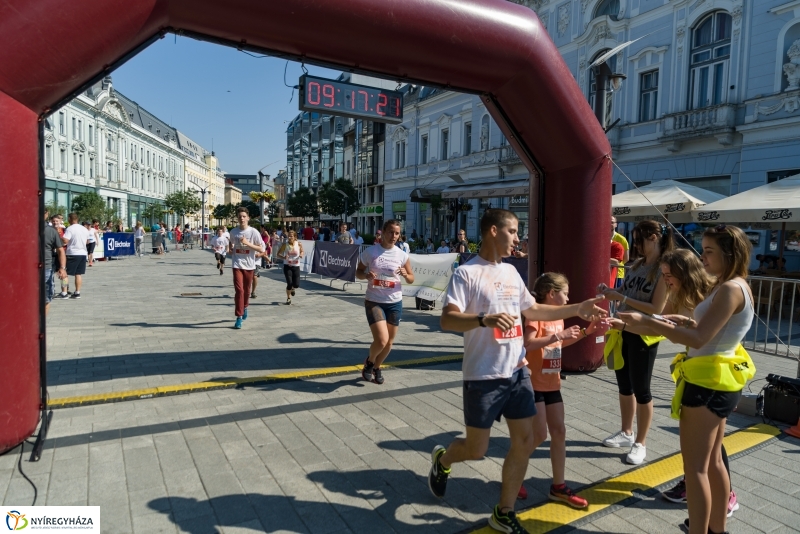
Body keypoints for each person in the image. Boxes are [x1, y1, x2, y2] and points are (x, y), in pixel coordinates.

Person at [428, 209, 607, 533]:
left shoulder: (511, 273)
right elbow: (447, 319)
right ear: (493, 231)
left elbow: (534, 309)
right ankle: (442, 461)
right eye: (512, 231)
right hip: (483, 376)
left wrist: (577, 309)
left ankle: (504, 511)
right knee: (476, 448)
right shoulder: (466, 274)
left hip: (517, 372)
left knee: (525, 440)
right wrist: (483, 319)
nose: (517, 237)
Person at [618, 225, 754, 534]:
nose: (702, 256)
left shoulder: (730, 288)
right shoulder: (733, 285)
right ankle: (716, 530)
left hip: (706, 383)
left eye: (708, 251)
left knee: (695, 470)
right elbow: (710, 332)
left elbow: (698, 338)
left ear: (729, 254)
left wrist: (648, 321)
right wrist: (679, 321)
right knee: (714, 463)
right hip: (717, 381)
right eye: (702, 249)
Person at [516, 273, 602, 507]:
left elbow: (558, 343)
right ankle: (513, 472)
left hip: (552, 382)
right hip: (534, 384)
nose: (568, 298)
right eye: (565, 292)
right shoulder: (537, 314)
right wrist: (557, 335)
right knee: (539, 435)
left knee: (560, 432)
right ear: (551, 294)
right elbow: (528, 343)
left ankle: (559, 487)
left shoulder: (559, 317)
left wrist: (586, 332)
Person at [598, 219, 674, 465]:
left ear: (653, 237)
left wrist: (620, 295)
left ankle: (641, 443)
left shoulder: (664, 269)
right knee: (624, 385)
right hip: (623, 328)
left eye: (639, 239)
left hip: (645, 333)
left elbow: (656, 307)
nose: (636, 245)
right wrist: (612, 291)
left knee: (642, 390)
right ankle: (627, 432)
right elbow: (628, 292)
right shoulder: (638, 264)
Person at [357, 220, 414, 385]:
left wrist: (405, 274)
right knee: (381, 340)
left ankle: (377, 367)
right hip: (374, 301)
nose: (394, 236)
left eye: (397, 233)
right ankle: (370, 361)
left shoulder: (402, 255)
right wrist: (366, 275)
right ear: (382, 232)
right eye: (390, 232)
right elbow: (358, 272)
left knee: (389, 343)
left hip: (395, 301)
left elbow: (411, 279)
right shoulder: (371, 252)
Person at [228, 207, 265, 329]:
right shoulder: (233, 232)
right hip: (237, 264)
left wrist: (247, 243)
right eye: (239, 216)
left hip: (249, 265)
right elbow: (231, 243)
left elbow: (261, 249)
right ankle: (239, 317)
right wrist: (230, 249)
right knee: (239, 290)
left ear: (248, 218)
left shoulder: (253, 232)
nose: (242, 218)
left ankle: (245, 306)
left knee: (246, 290)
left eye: (244, 216)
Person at [60, 213, 90, 299]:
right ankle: (77, 292)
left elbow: (65, 240)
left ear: (70, 219)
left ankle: (64, 292)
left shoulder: (70, 229)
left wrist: (59, 237)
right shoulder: (84, 229)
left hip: (72, 253)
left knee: (64, 273)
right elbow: (87, 241)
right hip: (83, 253)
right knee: (78, 273)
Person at [43, 209, 67, 314]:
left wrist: (62, 267)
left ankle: (64, 290)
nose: (55, 222)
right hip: (52, 259)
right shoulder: (53, 230)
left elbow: (62, 247)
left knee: (64, 275)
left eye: (57, 221)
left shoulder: (63, 229)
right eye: (54, 221)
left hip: (57, 258)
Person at [277, 230, 304, 305]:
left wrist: (301, 254)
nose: (289, 237)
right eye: (288, 236)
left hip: (296, 266)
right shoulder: (285, 245)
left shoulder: (298, 244)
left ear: (295, 237)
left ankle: (293, 288)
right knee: (289, 283)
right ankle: (288, 298)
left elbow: (302, 251)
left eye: (291, 236)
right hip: (287, 266)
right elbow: (278, 254)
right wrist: (284, 257)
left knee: (296, 285)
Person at [612, 216, 630, 288]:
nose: (610, 224)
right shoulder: (602, 237)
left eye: (612, 222)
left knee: (616, 297)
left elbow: (626, 258)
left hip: (618, 274)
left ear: (616, 224)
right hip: (605, 273)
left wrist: (617, 263)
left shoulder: (622, 239)